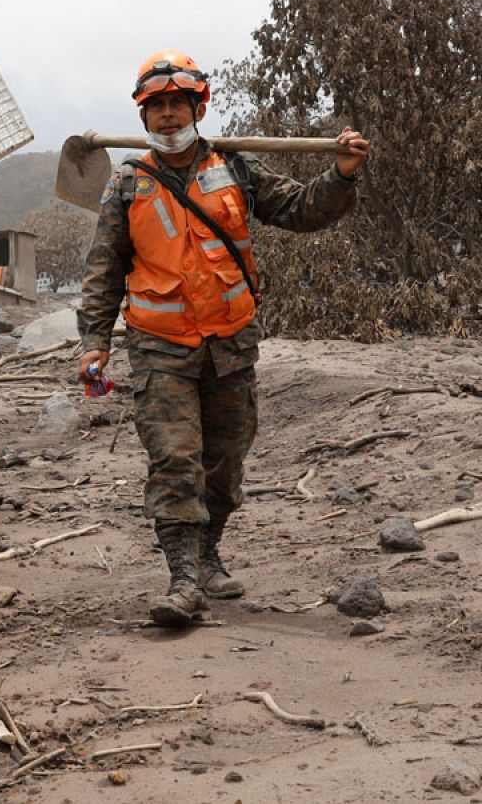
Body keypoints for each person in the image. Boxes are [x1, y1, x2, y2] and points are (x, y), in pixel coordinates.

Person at [76, 50, 369, 626]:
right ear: (143, 117)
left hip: (231, 344)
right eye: (155, 106)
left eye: (176, 104)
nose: (166, 115)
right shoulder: (128, 184)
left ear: (197, 107)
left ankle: (209, 553)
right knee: (175, 459)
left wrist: (341, 176)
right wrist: (94, 342)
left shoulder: (235, 169)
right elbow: (103, 270)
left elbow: (304, 210)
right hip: (160, 348)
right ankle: (183, 578)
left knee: (226, 462)